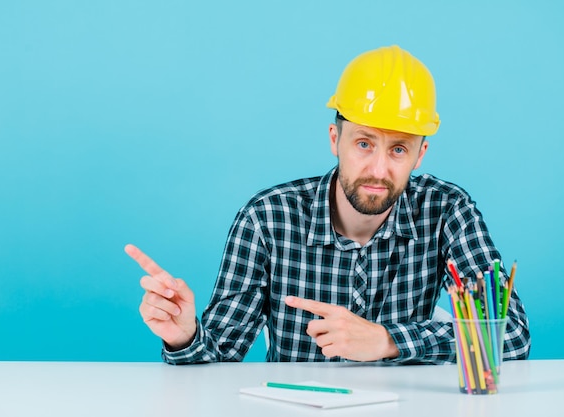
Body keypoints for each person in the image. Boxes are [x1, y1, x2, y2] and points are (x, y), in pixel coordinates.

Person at [125, 45, 531, 364]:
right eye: (364, 143)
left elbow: (510, 333)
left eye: (398, 150)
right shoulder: (267, 219)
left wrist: (387, 341)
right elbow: (217, 355)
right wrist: (184, 336)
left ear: (420, 155)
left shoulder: (447, 211)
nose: (378, 169)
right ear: (335, 139)